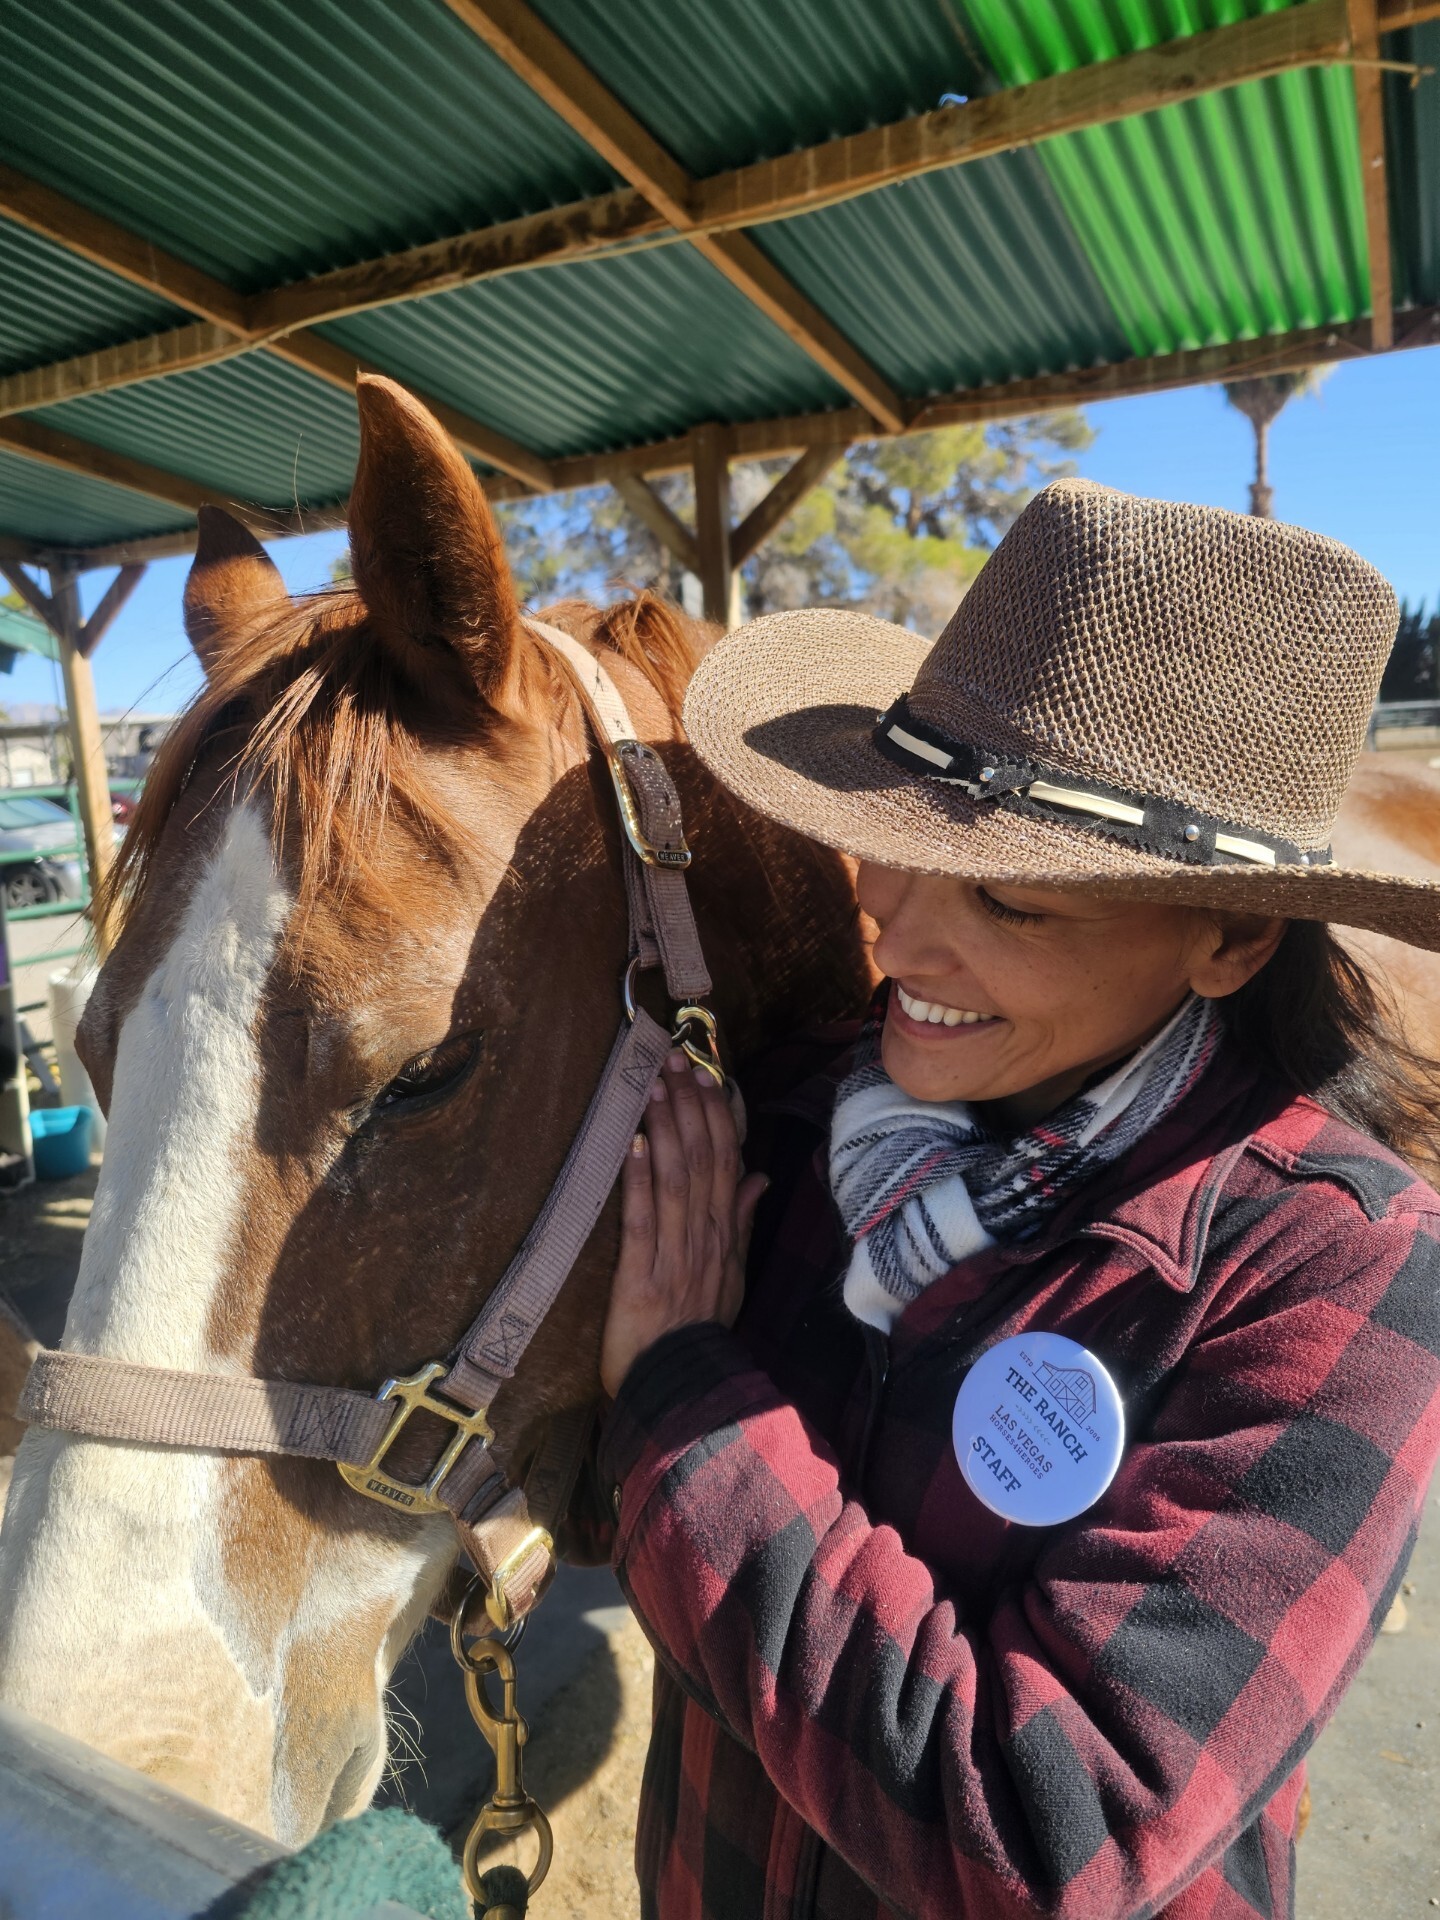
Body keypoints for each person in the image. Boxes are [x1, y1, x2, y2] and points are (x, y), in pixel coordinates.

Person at [594, 481, 1440, 1920]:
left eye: (1013, 903)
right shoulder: (801, 1112)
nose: (896, 927)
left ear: (1230, 937)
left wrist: (684, 1405)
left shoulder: (1332, 1274)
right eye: (892, 844)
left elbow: (1053, 1837)